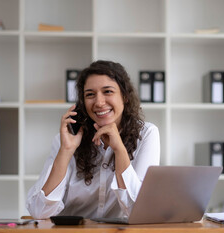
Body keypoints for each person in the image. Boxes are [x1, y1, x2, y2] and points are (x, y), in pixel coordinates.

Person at [26, 60, 160, 219]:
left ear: (124, 96)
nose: (99, 102)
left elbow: (140, 212)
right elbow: (38, 212)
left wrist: (119, 150)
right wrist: (66, 151)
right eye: (90, 94)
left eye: (108, 91)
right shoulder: (67, 140)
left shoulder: (146, 134)